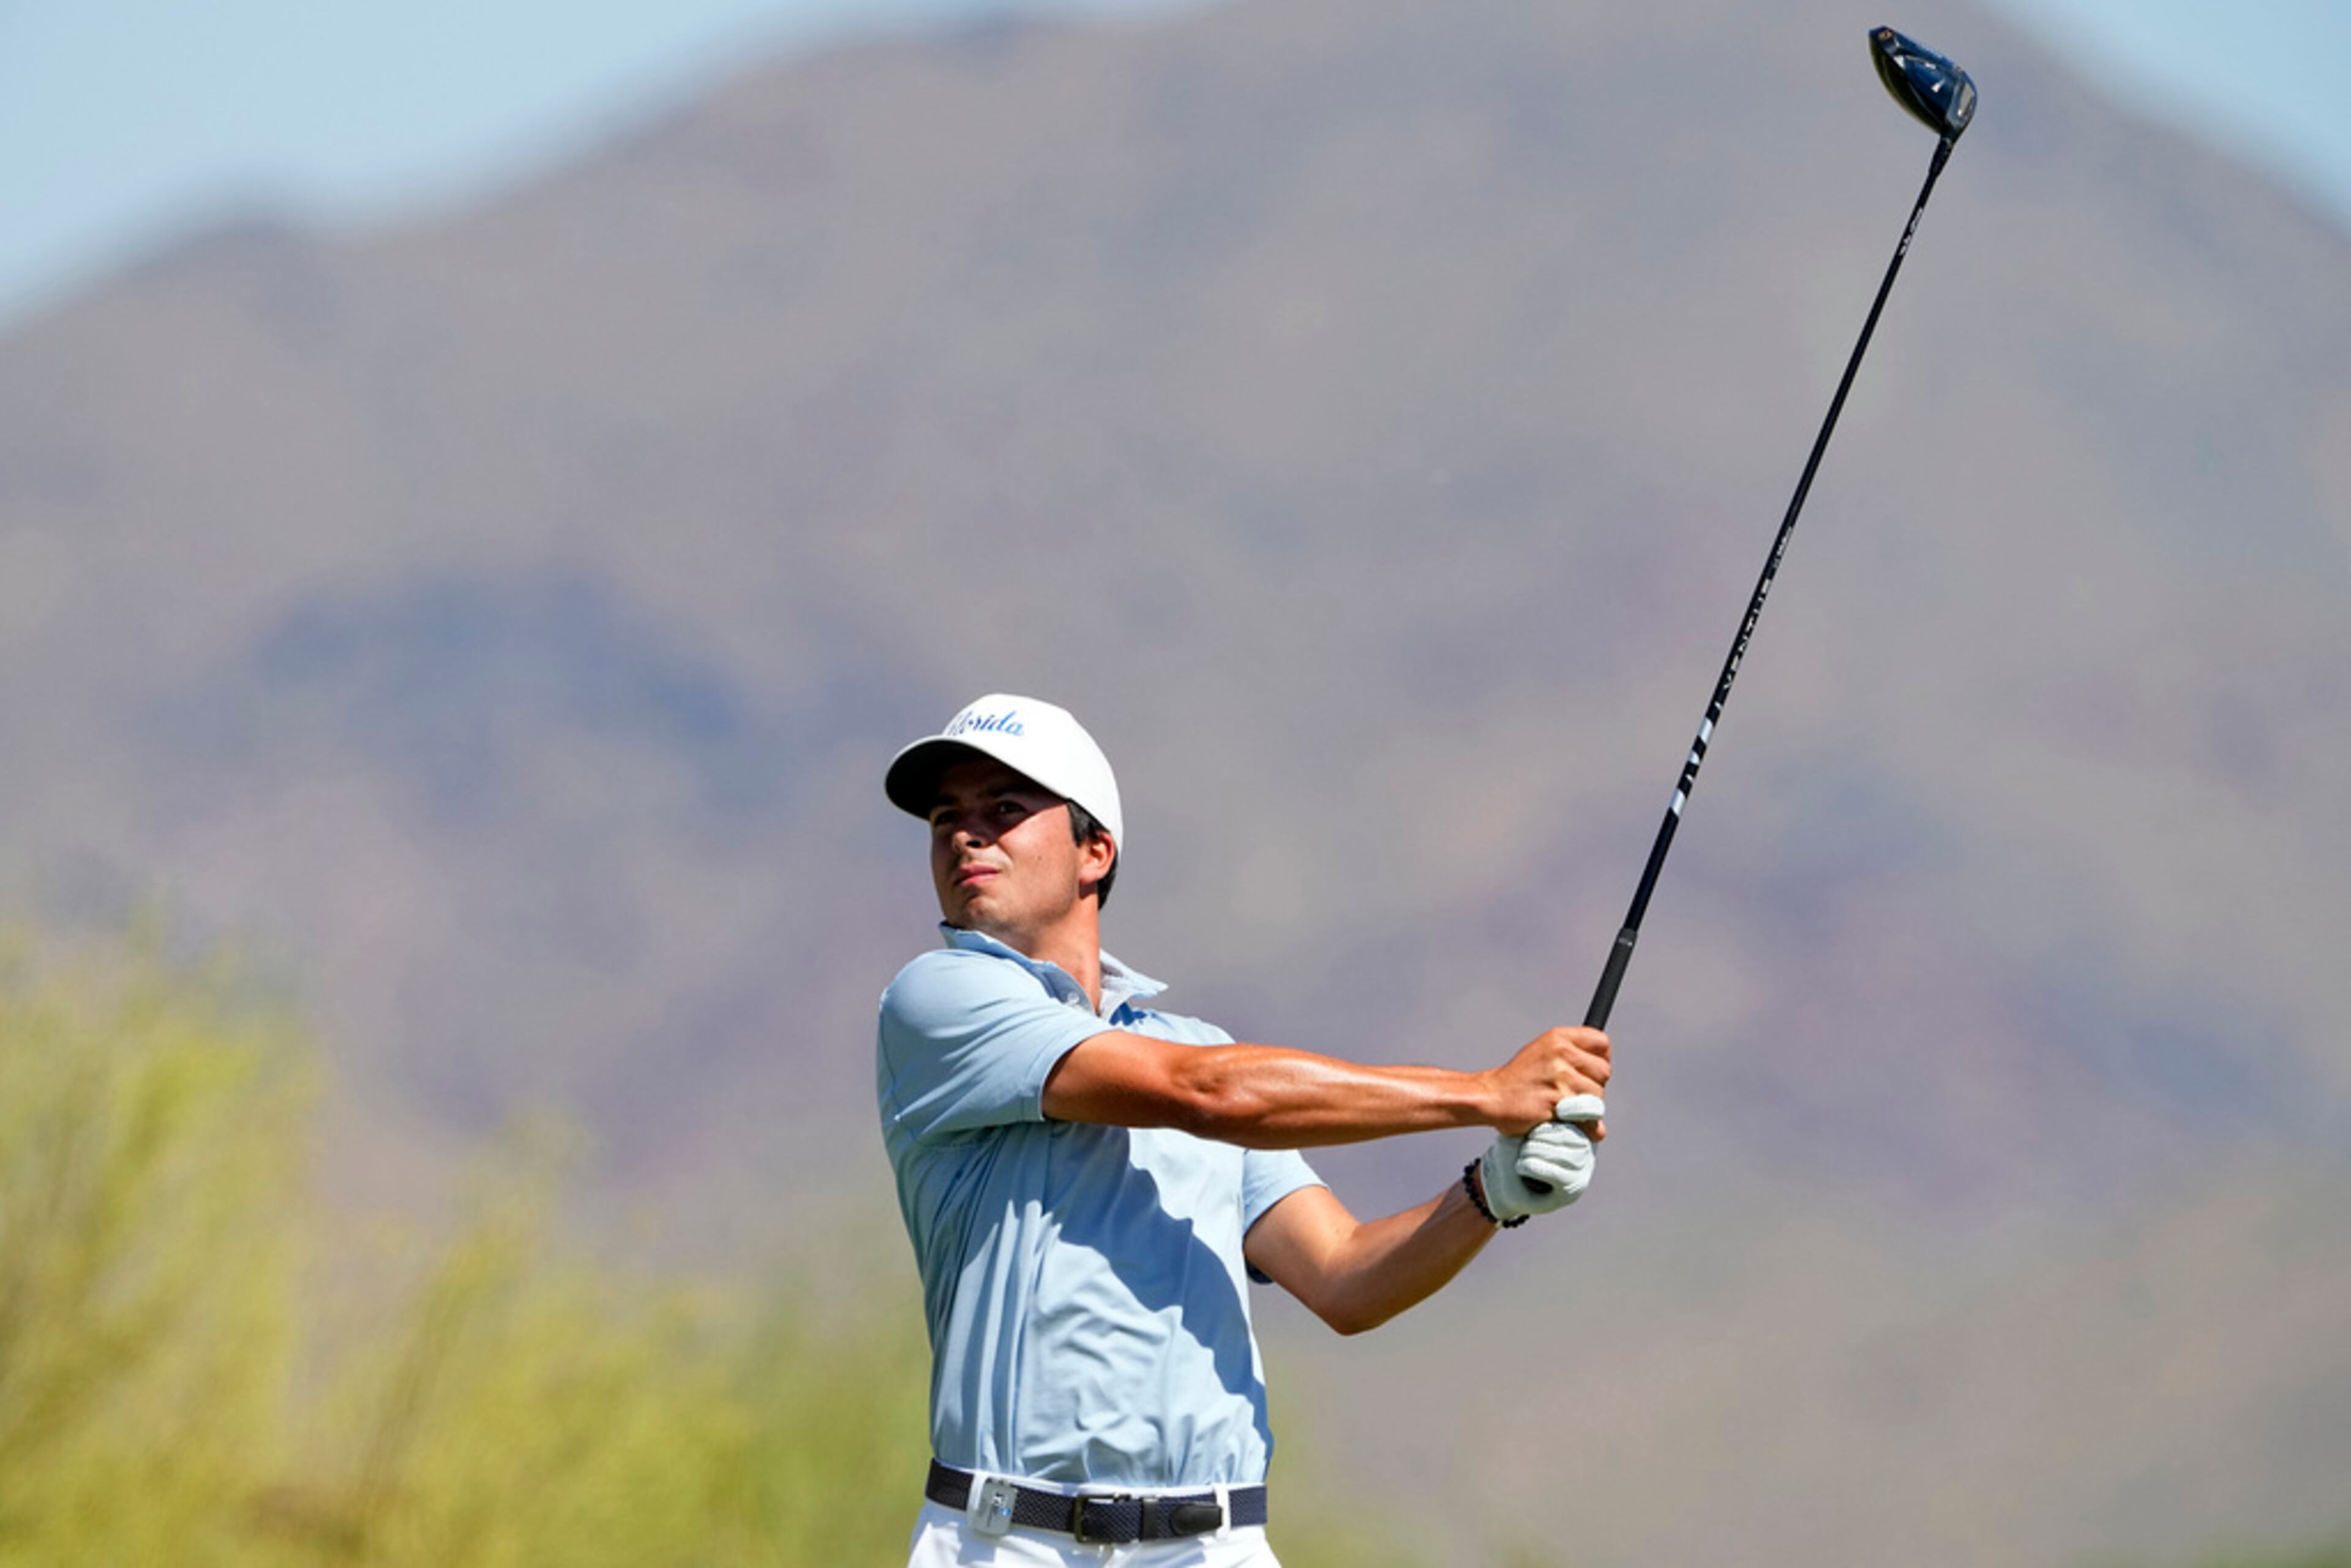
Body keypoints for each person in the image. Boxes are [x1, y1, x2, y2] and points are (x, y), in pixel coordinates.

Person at [877, 694, 1611, 1567]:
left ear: (1094, 850)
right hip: (1007, 1544)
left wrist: (1491, 1192)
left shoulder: (1198, 1050)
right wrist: (1490, 1092)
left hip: (1212, 1545)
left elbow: (1345, 1278)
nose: (966, 835)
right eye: (945, 818)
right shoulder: (938, 1002)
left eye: (1003, 809)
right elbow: (1208, 1097)